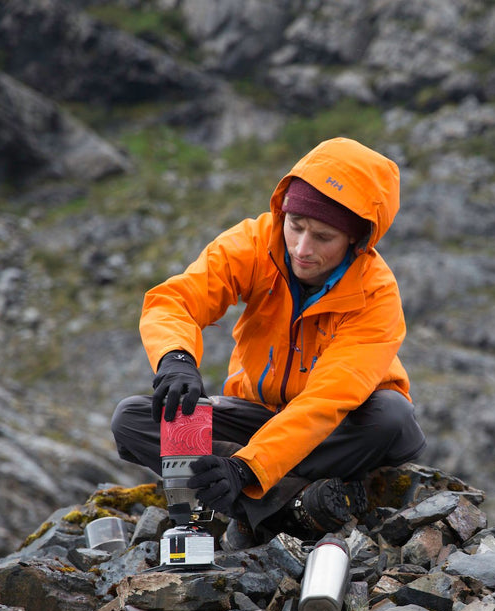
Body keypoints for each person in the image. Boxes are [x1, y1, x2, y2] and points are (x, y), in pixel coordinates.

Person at [111, 137, 426, 547]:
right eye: (295, 226)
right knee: (133, 418)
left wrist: (244, 469)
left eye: (323, 237)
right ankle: (293, 505)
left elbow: (325, 402)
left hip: (344, 427)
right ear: (283, 212)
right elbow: (177, 300)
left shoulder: (376, 294)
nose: (302, 248)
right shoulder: (256, 242)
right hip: (259, 414)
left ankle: (249, 500)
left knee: (391, 417)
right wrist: (176, 358)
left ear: (356, 238)